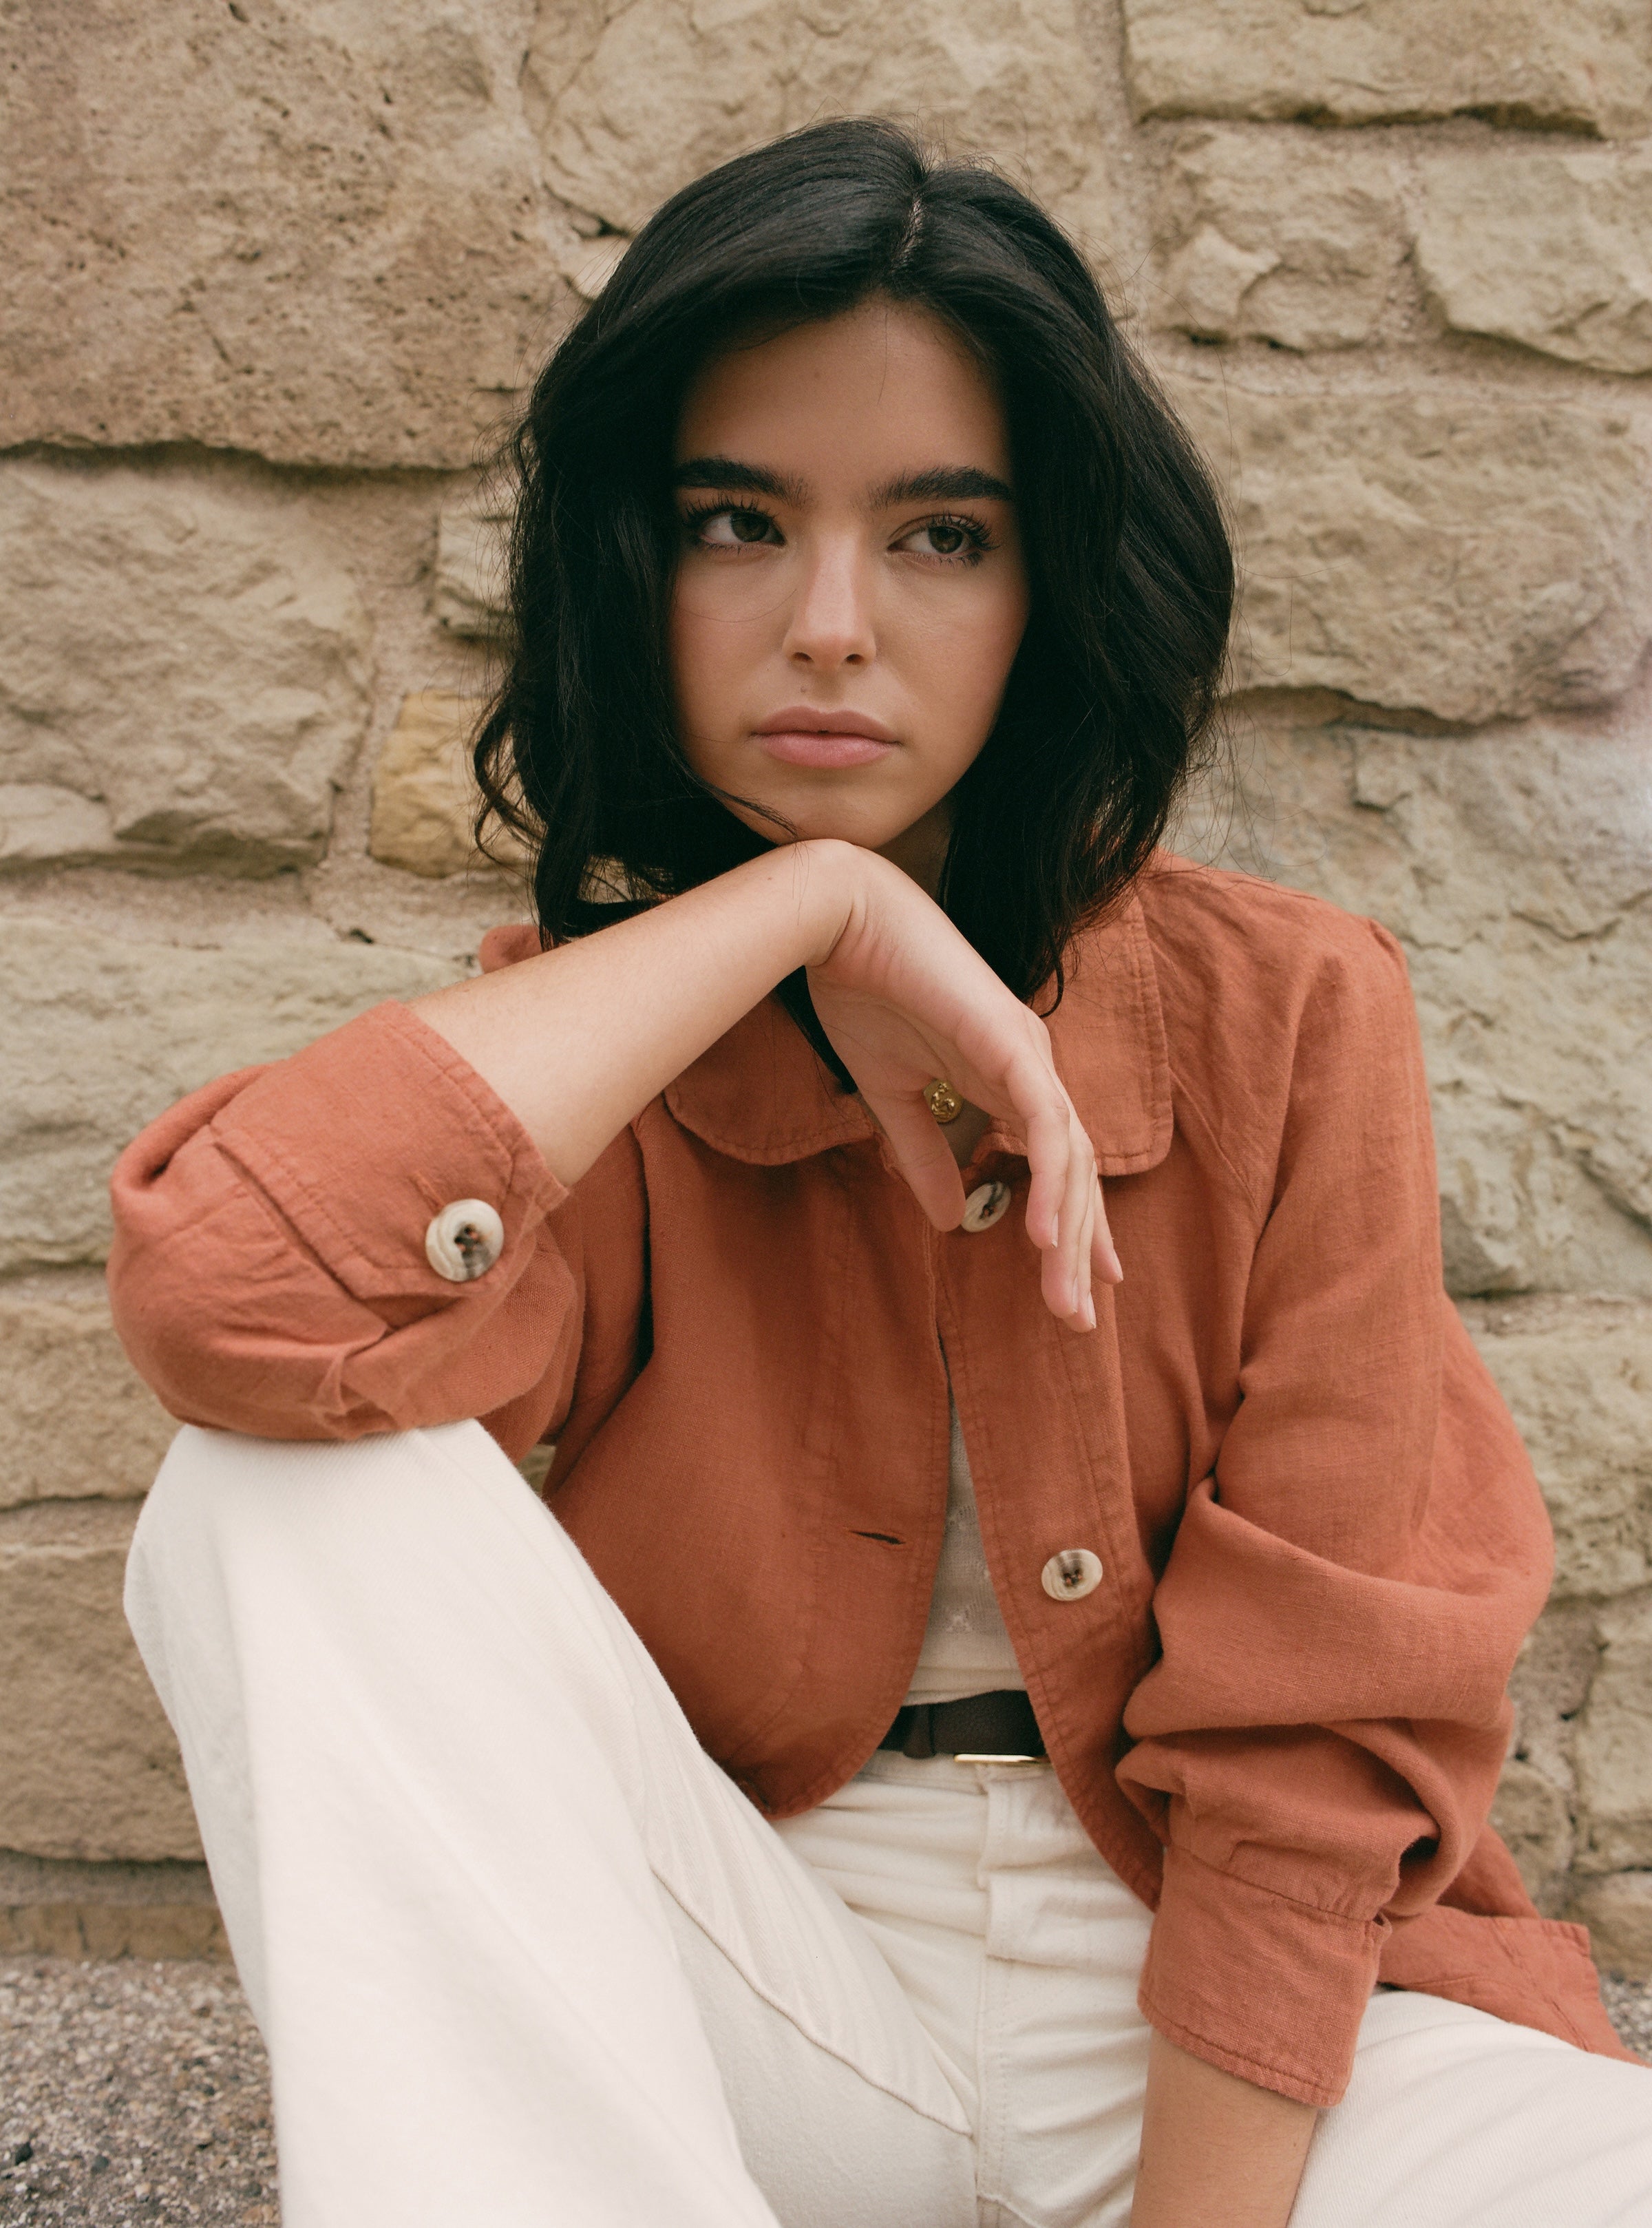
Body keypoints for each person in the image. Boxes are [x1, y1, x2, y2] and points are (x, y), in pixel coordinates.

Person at [107, 119, 1650, 2228]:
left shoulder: (1295, 1012)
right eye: (739, 522)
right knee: (273, 1484)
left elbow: (1318, 1739)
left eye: (940, 536)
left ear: (1053, 579)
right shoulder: (591, 1044)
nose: (831, 625)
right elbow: (225, 1302)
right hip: (775, 1982)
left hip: (1226, 2010)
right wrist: (805, 907)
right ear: (637, 570)